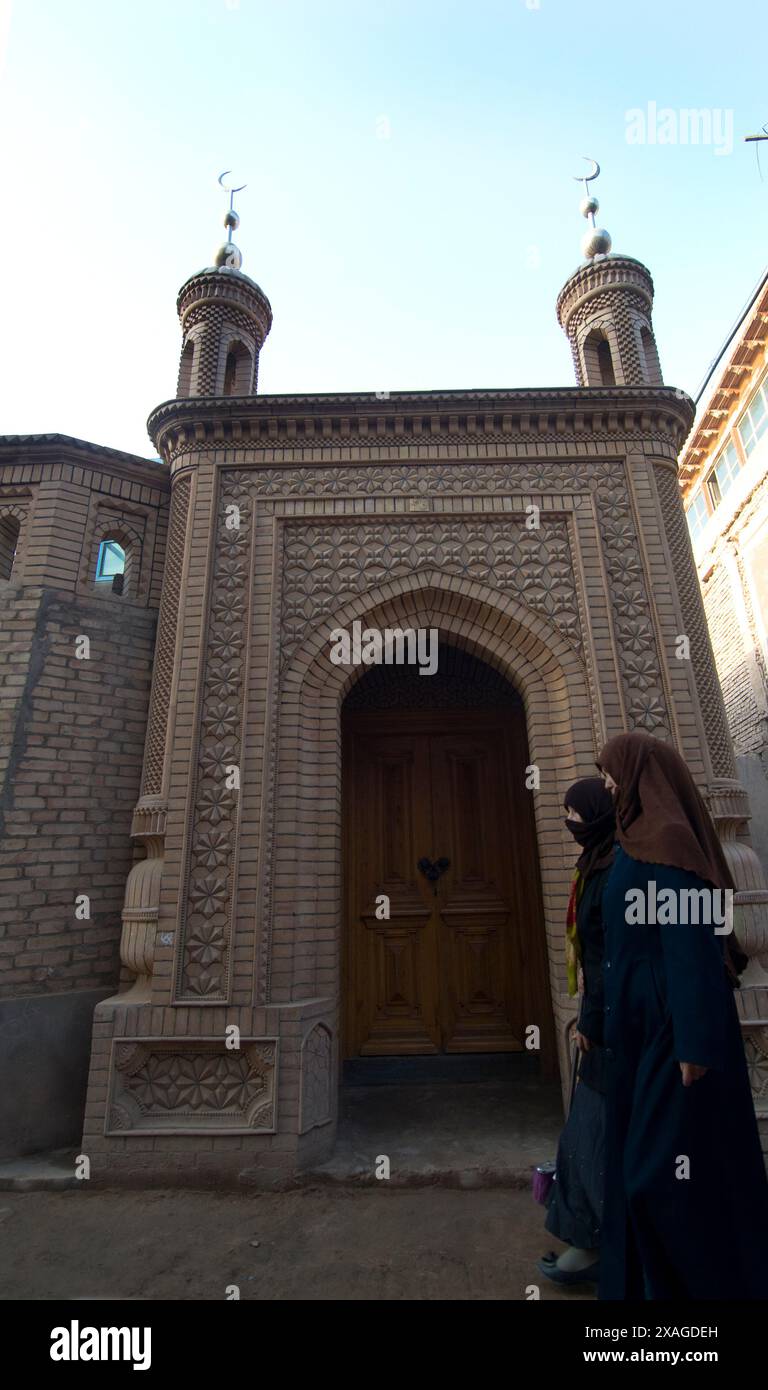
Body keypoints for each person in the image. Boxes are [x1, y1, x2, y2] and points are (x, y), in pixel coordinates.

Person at [596, 730, 768, 1301]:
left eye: (612, 773)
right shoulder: (629, 839)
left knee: (660, 1174)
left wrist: (694, 1042)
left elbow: (691, 949)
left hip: (677, 1037)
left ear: (642, 772)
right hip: (643, 1033)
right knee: (650, 1170)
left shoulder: (668, 842)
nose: (607, 784)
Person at [538, 777, 615, 1286]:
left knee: (595, 1136)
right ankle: (590, 1240)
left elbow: (614, 956)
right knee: (587, 1136)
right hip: (606, 1023)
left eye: (575, 813)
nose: (570, 823)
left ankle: (597, 1246)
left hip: (621, 1030)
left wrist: (591, 1019)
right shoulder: (596, 863)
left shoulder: (623, 868)